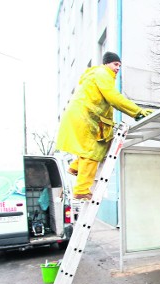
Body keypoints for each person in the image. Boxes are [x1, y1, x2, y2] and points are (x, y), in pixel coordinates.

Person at [56, 51, 153, 199]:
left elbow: (105, 106)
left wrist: (108, 127)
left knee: (100, 144)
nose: (117, 67)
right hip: (86, 116)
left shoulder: (96, 75)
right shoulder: (103, 74)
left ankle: (76, 167)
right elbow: (113, 98)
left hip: (82, 115)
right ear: (107, 63)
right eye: (115, 64)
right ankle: (81, 190)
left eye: (119, 65)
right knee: (92, 151)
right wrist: (137, 112)